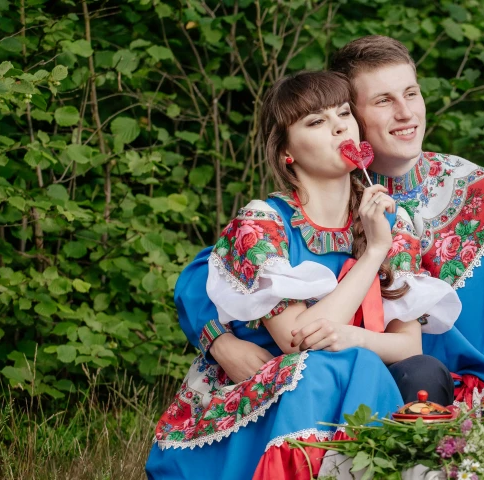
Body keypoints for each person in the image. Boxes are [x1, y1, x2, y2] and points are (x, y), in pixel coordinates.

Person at [186, 35, 484, 419]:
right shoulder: (322, 204)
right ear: (348, 118)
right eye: (383, 101)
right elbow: (208, 271)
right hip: (379, 398)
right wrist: (220, 340)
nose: (405, 113)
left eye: (411, 94)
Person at [146, 71, 461, 480]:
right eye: (315, 122)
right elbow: (300, 339)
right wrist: (374, 255)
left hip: (349, 386)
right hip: (260, 395)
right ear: (286, 153)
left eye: (344, 113)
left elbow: (407, 346)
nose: (338, 126)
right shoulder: (263, 223)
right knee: (325, 368)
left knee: (378, 366)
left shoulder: (389, 220)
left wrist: (352, 337)